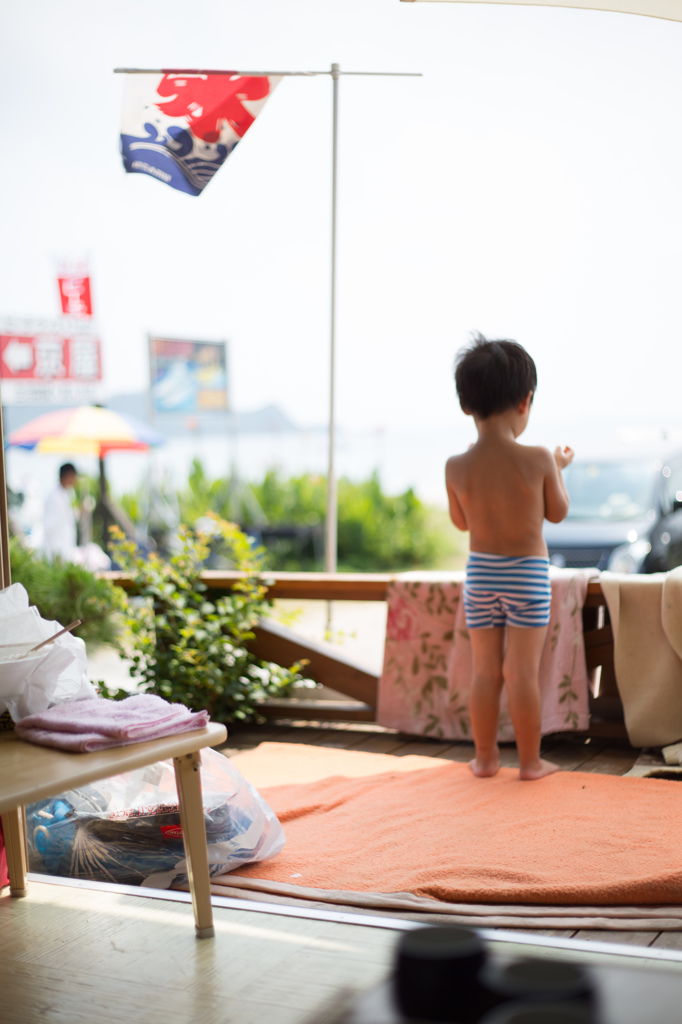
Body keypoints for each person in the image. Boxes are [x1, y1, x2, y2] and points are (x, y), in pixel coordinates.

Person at [445, 335, 574, 781]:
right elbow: (557, 514)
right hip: (526, 575)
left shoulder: (455, 467)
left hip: (481, 574)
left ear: (466, 404)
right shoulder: (538, 458)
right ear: (526, 400)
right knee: (521, 673)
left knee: (485, 672)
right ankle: (531, 763)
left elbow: (461, 523)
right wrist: (557, 468)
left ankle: (484, 759)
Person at [43, 462, 79, 562]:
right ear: (67, 476)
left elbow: (73, 517)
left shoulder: (70, 494)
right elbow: (49, 526)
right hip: (57, 550)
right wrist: (56, 552)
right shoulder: (53, 497)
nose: (75, 480)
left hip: (67, 547)